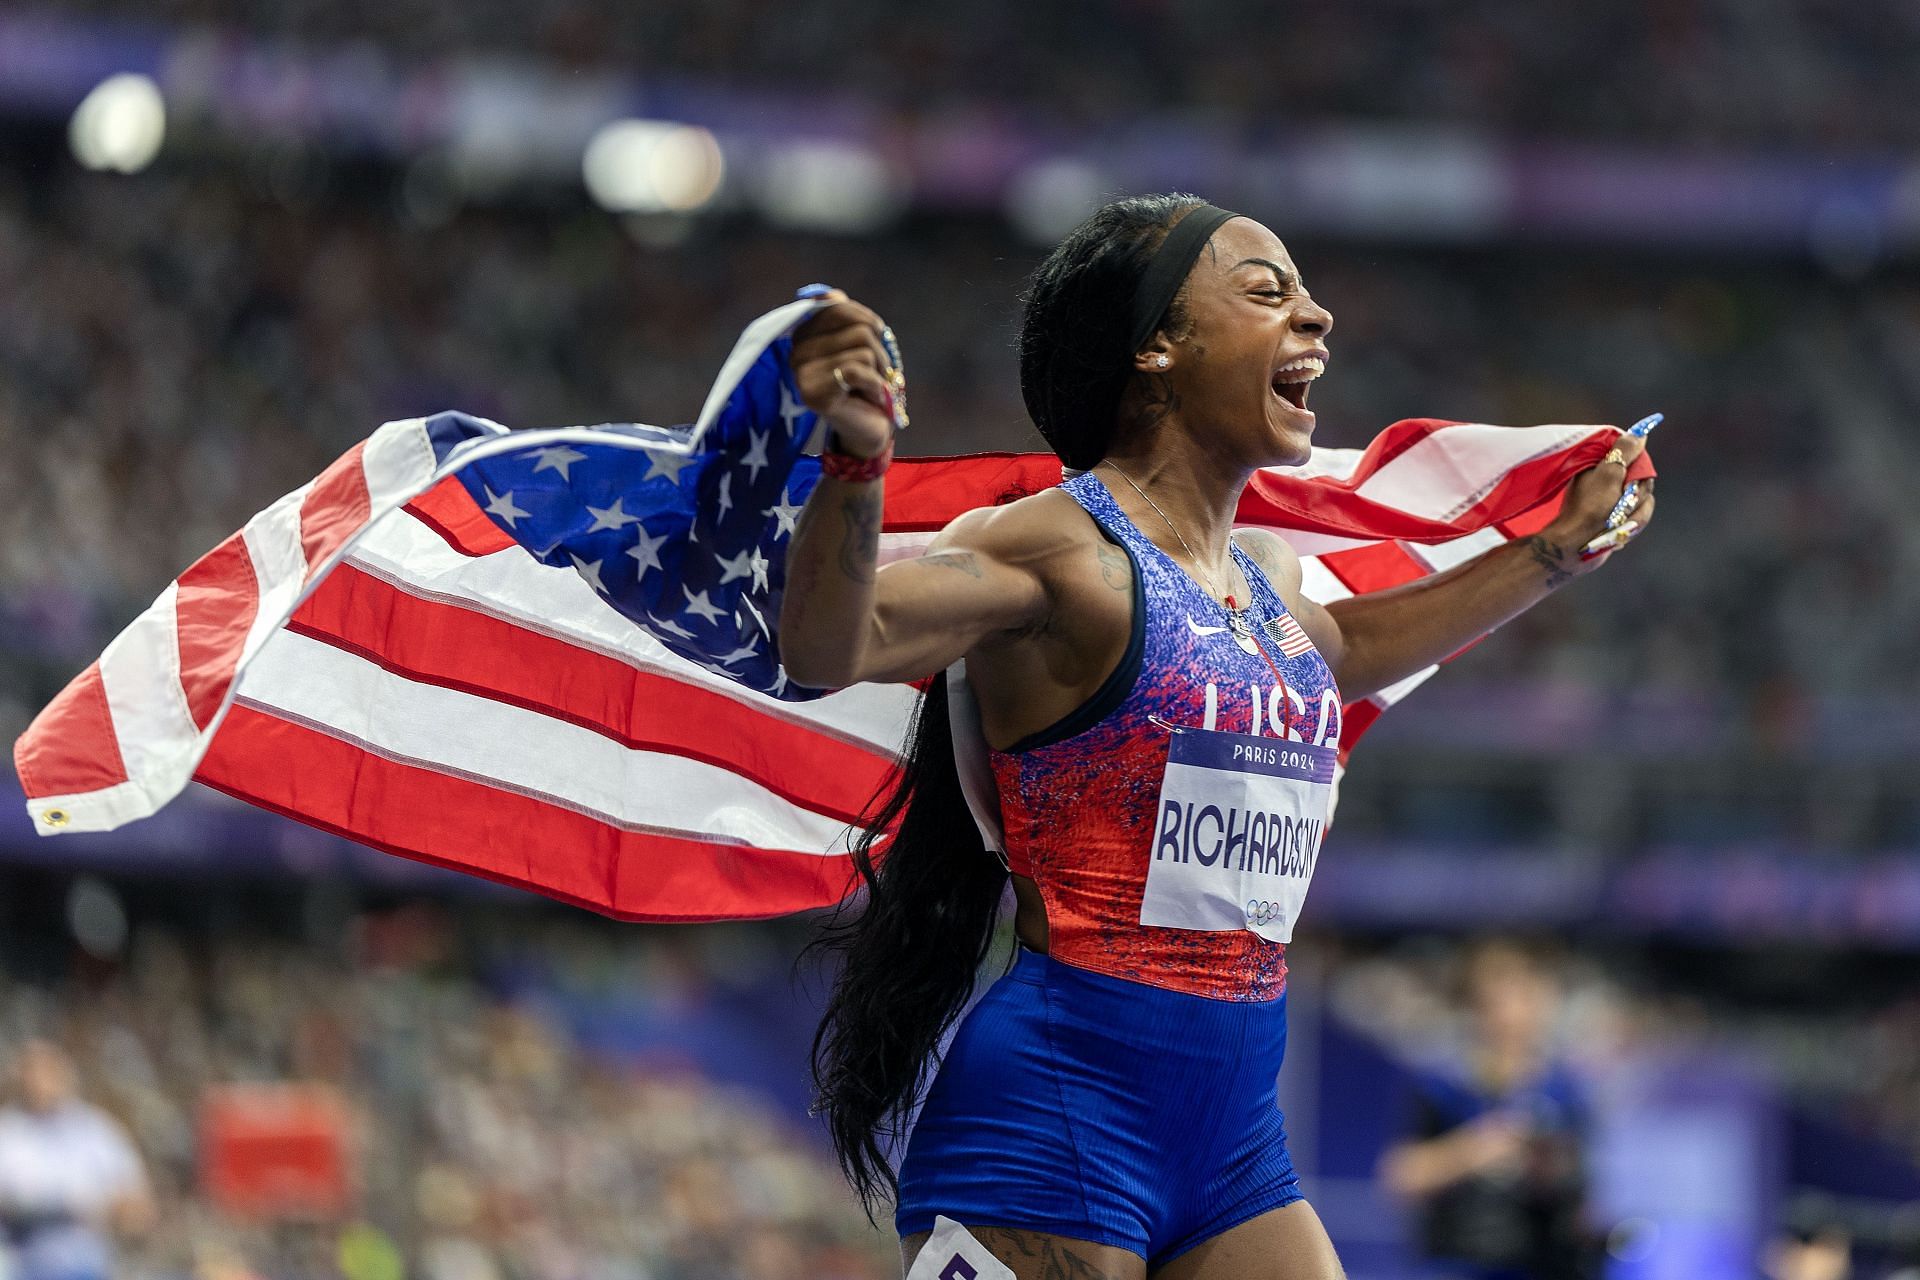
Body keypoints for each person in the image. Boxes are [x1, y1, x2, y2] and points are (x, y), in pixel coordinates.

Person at [783, 194, 1657, 1280]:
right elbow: (836, 639)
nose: (1319, 317)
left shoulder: (1266, 580)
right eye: (1269, 291)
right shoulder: (1064, 551)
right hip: (1061, 1111)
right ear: (1156, 346)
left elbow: (1349, 649)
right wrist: (853, 465)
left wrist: (1553, 554)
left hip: (1236, 1135)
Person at [1378, 942, 1598, 1280]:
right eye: (1499, 998)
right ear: (1476, 1008)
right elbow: (1402, 1176)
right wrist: (1475, 1149)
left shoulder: (1565, 1090)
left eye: (1527, 995)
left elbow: (1584, 1191)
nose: (1514, 1012)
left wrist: (1547, 1166)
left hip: (1540, 1263)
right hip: (1456, 1262)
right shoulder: (1444, 1084)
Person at [0, 1039, 154, 1280]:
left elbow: (138, 1206)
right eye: (32, 1073)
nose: (40, 1084)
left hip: (85, 1264)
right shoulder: (9, 1132)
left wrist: (115, 1210)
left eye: (48, 1072)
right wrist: (61, 1209)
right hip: (20, 1262)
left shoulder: (95, 1131)